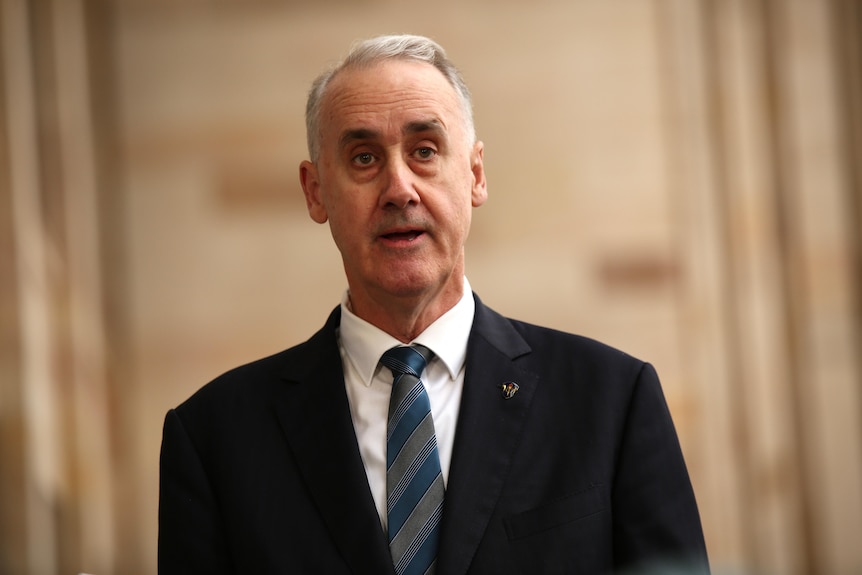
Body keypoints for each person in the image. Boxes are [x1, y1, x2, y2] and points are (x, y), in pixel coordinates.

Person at [158, 34, 709, 574]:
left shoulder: (611, 400)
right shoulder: (214, 438)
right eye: (364, 157)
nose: (400, 188)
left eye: (425, 151)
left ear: (474, 174)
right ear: (315, 191)